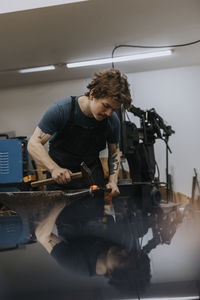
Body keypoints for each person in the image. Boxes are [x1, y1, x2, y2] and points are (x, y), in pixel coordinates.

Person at [28, 69, 132, 196]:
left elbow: (114, 151)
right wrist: (54, 168)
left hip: (93, 180)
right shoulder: (62, 110)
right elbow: (33, 143)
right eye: (106, 106)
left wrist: (113, 181)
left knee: (94, 216)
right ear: (92, 94)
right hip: (60, 180)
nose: (109, 113)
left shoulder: (112, 121)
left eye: (114, 109)